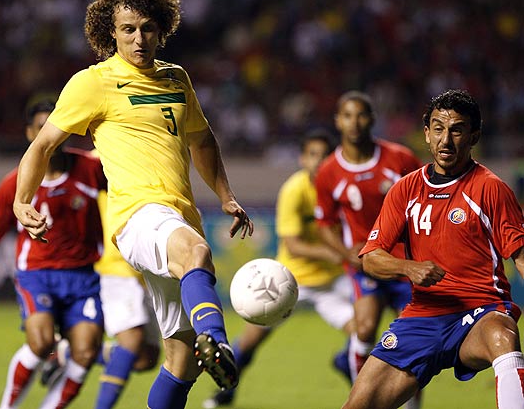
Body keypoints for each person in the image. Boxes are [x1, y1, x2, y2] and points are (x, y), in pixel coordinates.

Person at [12, 0, 253, 409]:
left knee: (181, 361)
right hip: (137, 216)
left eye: (147, 28)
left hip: (179, 214)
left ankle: (201, 355)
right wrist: (21, 200)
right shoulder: (95, 82)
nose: (138, 38)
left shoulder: (177, 78)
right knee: (195, 254)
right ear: (111, 32)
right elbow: (43, 145)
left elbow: (202, 140)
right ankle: (219, 342)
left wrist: (225, 195)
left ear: (161, 28)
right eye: (127, 29)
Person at [342, 89, 524, 409]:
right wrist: (408, 268)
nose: (446, 140)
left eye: (457, 130)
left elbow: (521, 256)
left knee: (503, 337)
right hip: (421, 317)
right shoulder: (405, 189)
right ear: (426, 134)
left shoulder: (491, 188)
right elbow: (371, 258)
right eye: (438, 128)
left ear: (474, 136)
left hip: (481, 310)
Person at [203, 129, 355, 408]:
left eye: (325, 156)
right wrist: (340, 253)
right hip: (289, 281)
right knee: (250, 340)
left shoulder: (342, 189)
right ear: (302, 158)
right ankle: (226, 388)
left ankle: (346, 364)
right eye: (312, 155)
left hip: (333, 281)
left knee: (363, 330)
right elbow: (294, 245)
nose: (318, 162)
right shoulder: (294, 190)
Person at [0, 100, 106, 408]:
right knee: (41, 342)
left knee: (86, 352)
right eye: (42, 127)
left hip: (83, 275)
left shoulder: (89, 168)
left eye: (55, 127)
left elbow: (126, 188)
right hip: (37, 274)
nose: (51, 135)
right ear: (30, 133)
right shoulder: (15, 182)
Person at [314, 91, 422, 406]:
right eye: (347, 115)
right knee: (364, 327)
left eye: (361, 115)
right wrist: (348, 254)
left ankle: (411, 403)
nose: (354, 122)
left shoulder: (399, 159)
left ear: (372, 119)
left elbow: (427, 198)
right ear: (338, 120)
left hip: (405, 263)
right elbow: (325, 223)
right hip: (365, 263)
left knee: (411, 339)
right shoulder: (329, 171)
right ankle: (362, 398)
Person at [41, 182, 162, 409]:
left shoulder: (149, 157)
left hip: (141, 270)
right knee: (132, 339)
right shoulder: (101, 160)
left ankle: (66, 352)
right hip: (113, 264)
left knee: (146, 357)